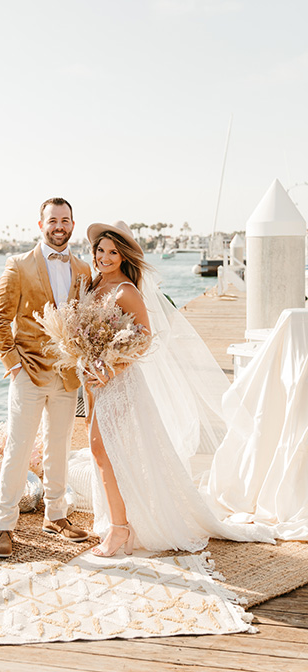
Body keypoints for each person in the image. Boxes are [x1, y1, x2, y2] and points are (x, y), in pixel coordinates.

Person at [83, 221, 275, 557]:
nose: (105, 256)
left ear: (123, 255)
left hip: (120, 382)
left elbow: (143, 339)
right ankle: (121, 519)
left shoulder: (126, 290)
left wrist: (111, 368)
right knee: (108, 451)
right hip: (93, 381)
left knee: (101, 449)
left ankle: (120, 529)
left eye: (113, 252)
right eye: (101, 250)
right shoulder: (94, 283)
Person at [0, 198, 92, 557]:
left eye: (65, 220)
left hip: (67, 376)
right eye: (53, 220)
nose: (59, 226)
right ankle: (4, 525)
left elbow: (87, 321)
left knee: (60, 446)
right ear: (41, 224)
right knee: (18, 449)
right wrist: (14, 365)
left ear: (73, 225)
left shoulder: (82, 269)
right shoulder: (18, 265)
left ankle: (56, 515)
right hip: (28, 373)